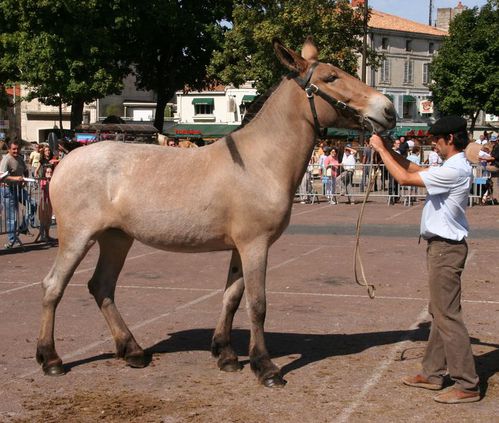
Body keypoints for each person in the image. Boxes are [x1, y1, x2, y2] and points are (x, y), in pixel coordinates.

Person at [370, 116, 480, 404]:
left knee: (448, 316)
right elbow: (416, 169)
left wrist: (381, 151)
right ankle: (432, 373)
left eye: (437, 139)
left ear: (451, 139)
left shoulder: (454, 169)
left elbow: (405, 178)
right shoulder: (452, 166)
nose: (434, 143)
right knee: (439, 311)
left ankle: (467, 384)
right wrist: (386, 148)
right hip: (442, 248)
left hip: (446, 249)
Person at [0, 140, 37, 248]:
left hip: (19, 188)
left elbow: (25, 170)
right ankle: (12, 241)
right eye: (14, 149)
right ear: (9, 149)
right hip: (8, 190)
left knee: (33, 204)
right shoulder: (6, 160)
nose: (16, 151)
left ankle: (23, 227)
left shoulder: (20, 158)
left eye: (17, 149)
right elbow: (2, 176)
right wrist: (15, 178)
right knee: (12, 217)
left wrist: (24, 178)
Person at [38, 165, 56, 243]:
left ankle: (47, 235)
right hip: (43, 201)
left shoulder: (53, 180)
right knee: (43, 219)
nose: (49, 174)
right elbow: (43, 187)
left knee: (48, 219)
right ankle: (42, 236)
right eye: (48, 172)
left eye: (51, 172)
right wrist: (48, 181)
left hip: (50, 201)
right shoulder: (43, 180)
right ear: (45, 173)